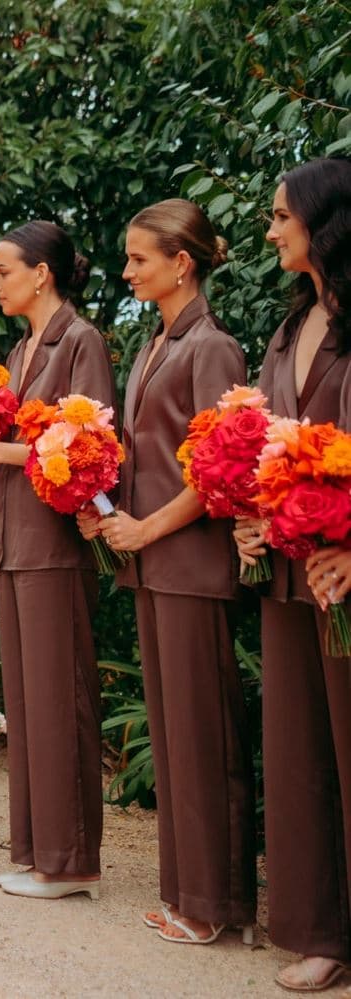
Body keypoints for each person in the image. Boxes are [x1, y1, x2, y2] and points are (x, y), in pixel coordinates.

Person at [77, 199, 254, 944]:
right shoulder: (157, 342)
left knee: (201, 732)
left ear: (182, 263)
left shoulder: (213, 347)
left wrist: (146, 527)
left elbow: (223, 469)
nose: (126, 271)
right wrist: (104, 509)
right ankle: (190, 897)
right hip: (152, 563)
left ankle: (216, 905)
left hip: (188, 562)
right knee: (176, 732)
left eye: (139, 258)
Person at [0, 221, 113, 901]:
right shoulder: (20, 349)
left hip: (55, 545)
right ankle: (39, 853)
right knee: (26, 702)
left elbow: (90, 441)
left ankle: (70, 861)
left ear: (42, 273)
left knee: (59, 699)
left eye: (4, 270)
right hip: (14, 540)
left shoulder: (81, 341)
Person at [236, 156, 351, 993]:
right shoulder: (288, 327)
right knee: (299, 753)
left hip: (343, 574)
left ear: (325, 222)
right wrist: (252, 516)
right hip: (288, 572)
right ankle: (319, 930)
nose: (272, 229)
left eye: (282, 215)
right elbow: (265, 440)